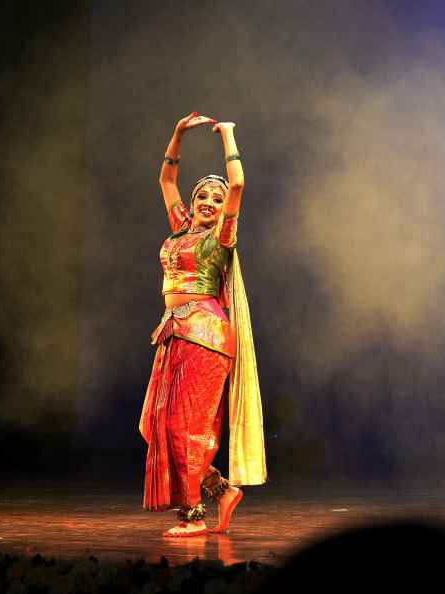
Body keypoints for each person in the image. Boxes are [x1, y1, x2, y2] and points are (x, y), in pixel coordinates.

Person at [139, 112, 266, 537]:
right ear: (192, 206)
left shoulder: (220, 238)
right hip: (173, 332)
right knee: (152, 425)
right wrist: (176, 135)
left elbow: (240, 185)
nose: (210, 203)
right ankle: (220, 488)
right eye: (203, 198)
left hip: (206, 334)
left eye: (216, 198)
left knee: (185, 426)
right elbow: (166, 182)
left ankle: (193, 512)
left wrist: (227, 135)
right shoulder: (180, 231)